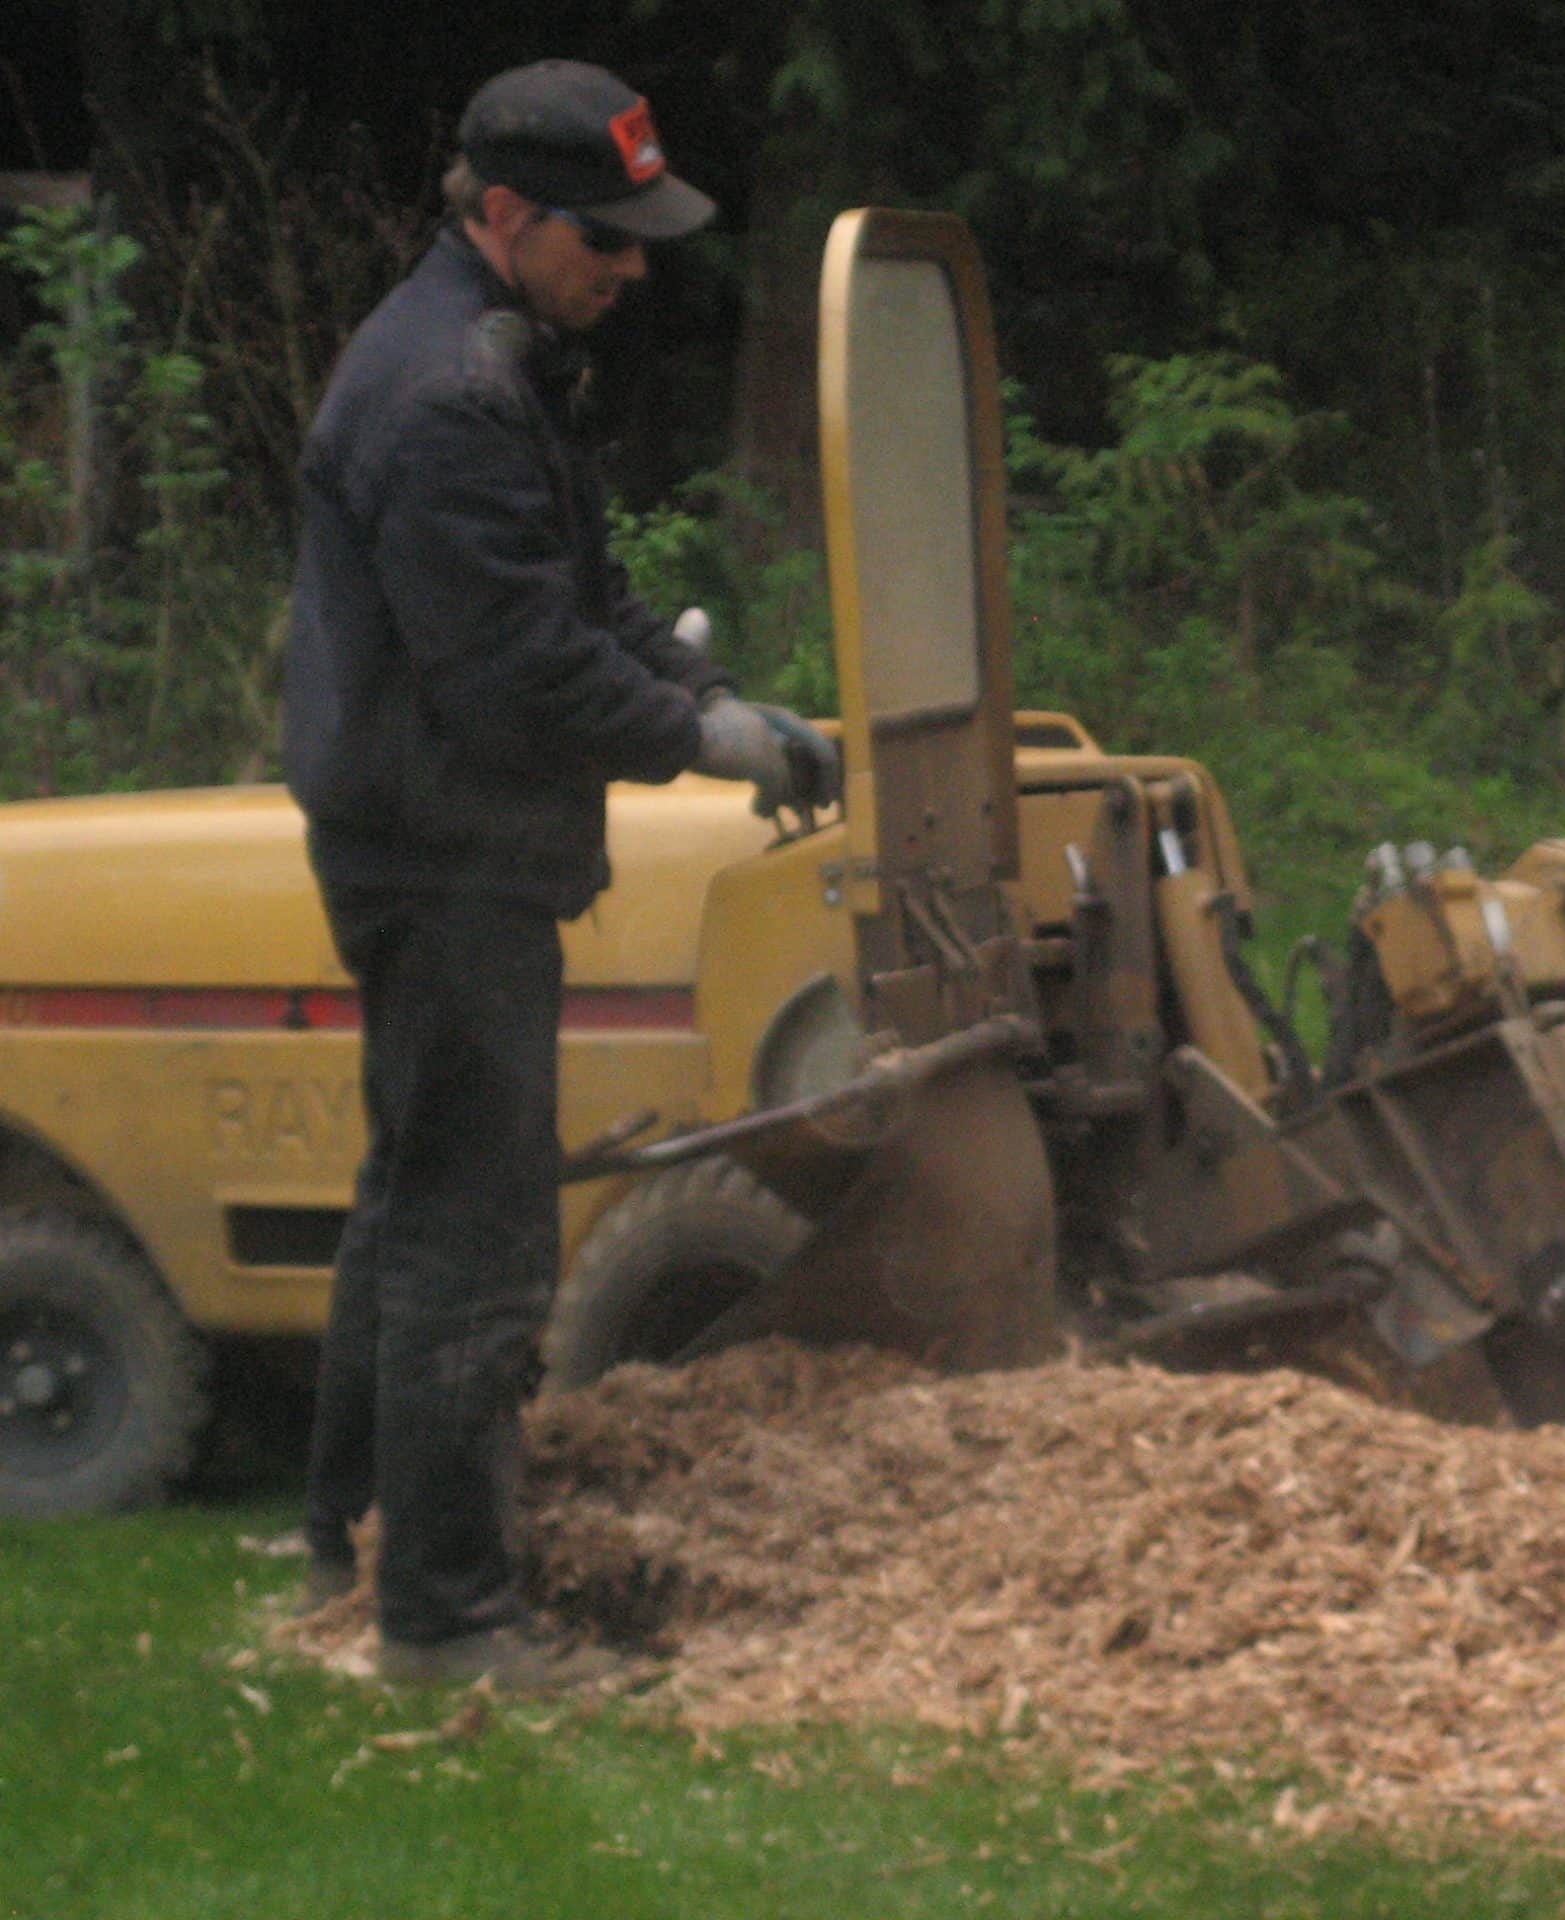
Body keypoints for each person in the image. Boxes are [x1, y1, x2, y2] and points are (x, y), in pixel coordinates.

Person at [281, 58, 837, 1689]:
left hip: (436, 833)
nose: (634, 264)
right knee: (479, 1229)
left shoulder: (498, 358)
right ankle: (450, 1624)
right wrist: (705, 743)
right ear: (506, 214)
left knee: (409, 1200)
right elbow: (515, 671)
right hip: (445, 852)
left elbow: (572, 596)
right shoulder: (450, 396)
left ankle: (352, 1539)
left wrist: (694, 693)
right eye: (607, 236)